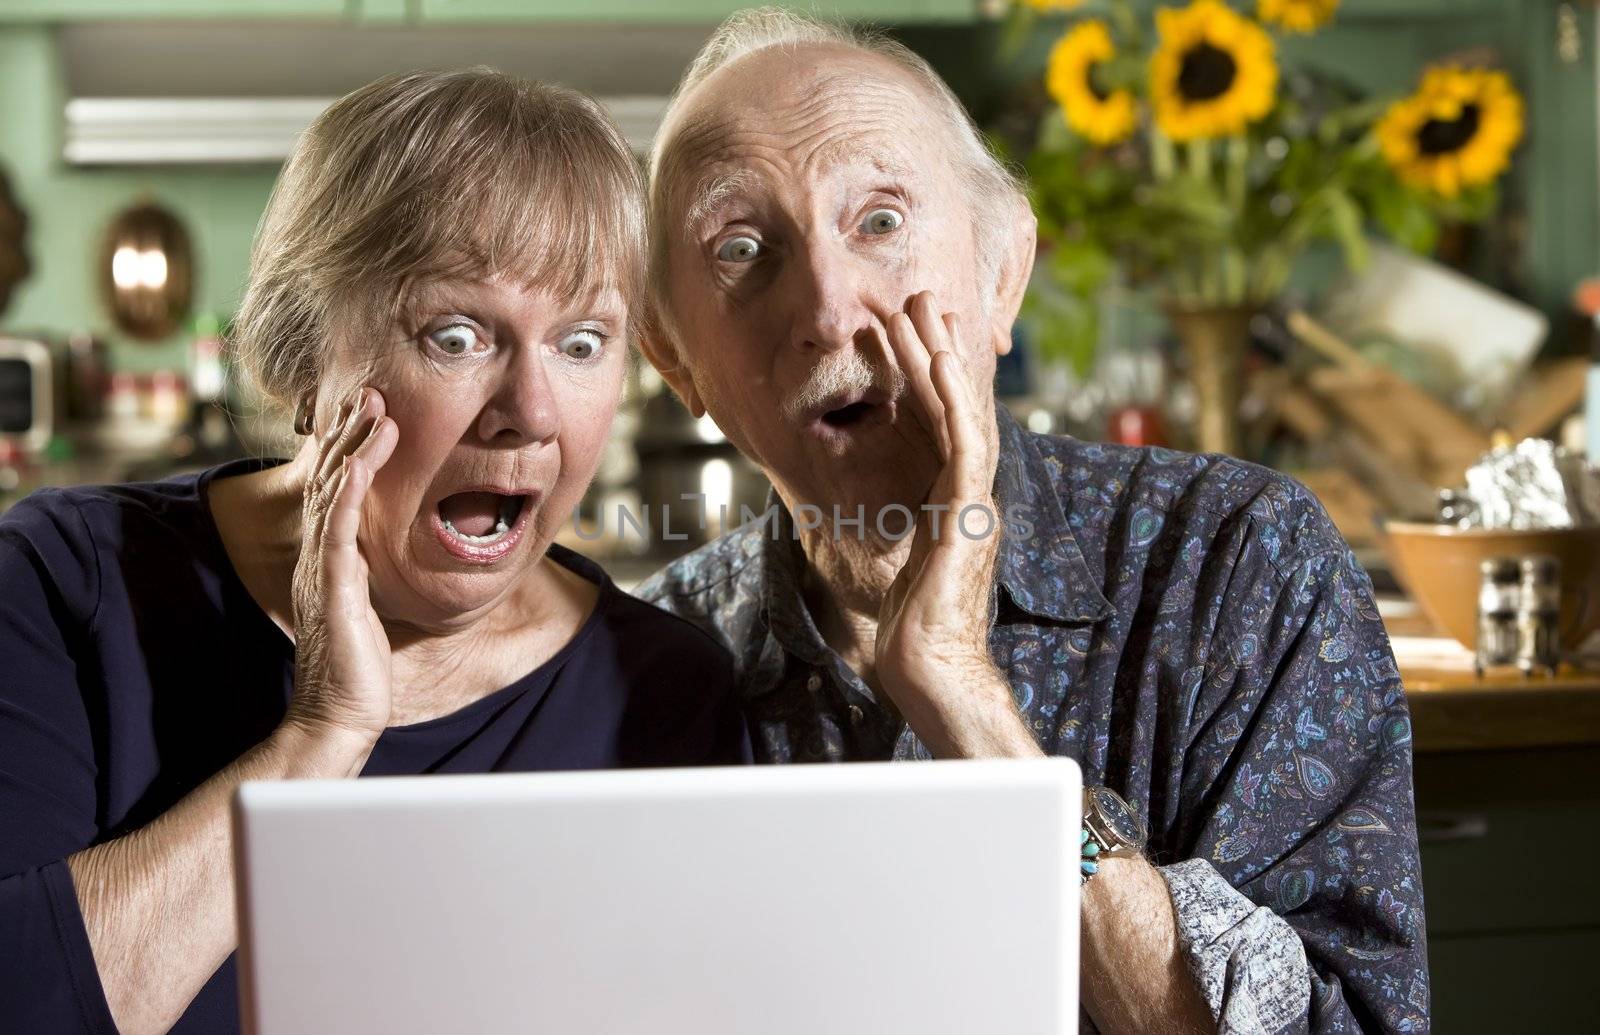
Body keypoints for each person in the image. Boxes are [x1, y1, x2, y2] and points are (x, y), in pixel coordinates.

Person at [635, 9, 1427, 1034]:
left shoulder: (1241, 562)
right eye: (743, 246)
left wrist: (967, 703)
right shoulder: (647, 660)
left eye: (879, 220)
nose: (829, 309)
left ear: (1002, 273)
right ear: (670, 356)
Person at [0, 69, 748, 1035]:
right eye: (456, 334)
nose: (529, 413)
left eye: (581, 341)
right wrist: (323, 737)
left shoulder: (661, 689)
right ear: (300, 360)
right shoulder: (67, 586)